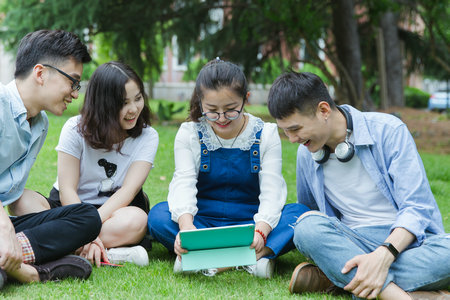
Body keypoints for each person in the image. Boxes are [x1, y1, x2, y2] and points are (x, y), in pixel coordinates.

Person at [267, 71, 450, 299]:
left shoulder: (389, 131)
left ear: (323, 110)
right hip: (352, 241)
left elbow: (417, 208)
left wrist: (383, 255)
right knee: (306, 227)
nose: (292, 139)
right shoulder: (307, 153)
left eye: (295, 129)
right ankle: (401, 296)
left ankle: (340, 278)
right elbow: (314, 218)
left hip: (407, 245)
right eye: (286, 131)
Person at [148, 59, 310, 278]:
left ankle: (203, 258)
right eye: (212, 111)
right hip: (202, 222)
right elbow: (183, 182)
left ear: (246, 99)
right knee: (158, 215)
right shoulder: (189, 132)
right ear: (200, 103)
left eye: (231, 110)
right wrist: (186, 228)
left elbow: (273, 191)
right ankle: (253, 260)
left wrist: (261, 231)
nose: (222, 118)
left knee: (300, 216)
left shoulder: (267, 134)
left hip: (251, 224)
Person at [19, 61, 158, 267]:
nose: (133, 109)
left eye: (137, 99)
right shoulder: (75, 128)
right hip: (69, 208)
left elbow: (128, 191)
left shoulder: (148, 136)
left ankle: (62, 247)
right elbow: (67, 188)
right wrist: (83, 229)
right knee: (21, 200)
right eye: (123, 103)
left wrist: (88, 229)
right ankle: (109, 252)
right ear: (103, 105)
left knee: (137, 220)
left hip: (114, 211)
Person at [0, 29, 102, 289]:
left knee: (87, 217)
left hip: (5, 225)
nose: (75, 93)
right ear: (41, 73)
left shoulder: (40, 124)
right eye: (73, 81)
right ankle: (33, 271)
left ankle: (11, 260)